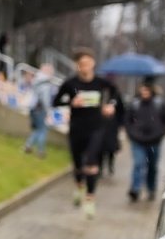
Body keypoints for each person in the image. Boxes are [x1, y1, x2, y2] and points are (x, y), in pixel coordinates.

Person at [53, 48, 124, 219]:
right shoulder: (70, 84)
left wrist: (110, 105)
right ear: (77, 66)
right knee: (78, 165)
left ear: (93, 63)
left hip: (96, 128)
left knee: (92, 163)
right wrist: (71, 102)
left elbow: (115, 94)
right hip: (77, 129)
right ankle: (79, 185)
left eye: (87, 63)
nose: (84, 67)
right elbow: (56, 101)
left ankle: (90, 198)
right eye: (81, 64)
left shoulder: (101, 82)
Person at [125, 77, 165, 201]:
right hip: (138, 140)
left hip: (154, 141)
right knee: (138, 164)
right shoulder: (135, 104)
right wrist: (131, 133)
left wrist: (159, 134)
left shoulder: (159, 104)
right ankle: (135, 188)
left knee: (152, 166)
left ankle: (151, 188)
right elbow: (128, 121)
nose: (144, 93)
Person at [22, 62, 56, 158]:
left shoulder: (37, 80)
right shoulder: (45, 83)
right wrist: (48, 111)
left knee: (37, 129)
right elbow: (45, 99)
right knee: (43, 130)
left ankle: (28, 145)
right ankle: (41, 151)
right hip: (40, 109)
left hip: (33, 108)